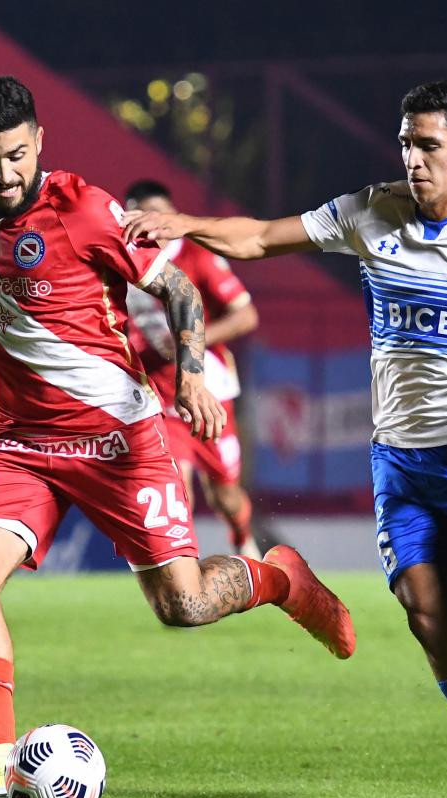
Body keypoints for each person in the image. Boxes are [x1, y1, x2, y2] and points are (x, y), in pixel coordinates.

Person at [0, 75, 356, 798]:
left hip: (119, 440)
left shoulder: (84, 209)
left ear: (40, 141)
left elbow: (177, 289)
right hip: (21, 445)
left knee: (181, 606)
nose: (7, 173)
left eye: (19, 155)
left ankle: (280, 579)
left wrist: (193, 377)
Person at [125, 80, 447, 798]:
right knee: (427, 617)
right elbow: (261, 236)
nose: (413, 160)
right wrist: (180, 224)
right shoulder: (370, 210)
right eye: (405, 143)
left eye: (429, 146)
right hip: (401, 460)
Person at [123, 179, 261, 559]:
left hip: (207, 392)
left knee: (226, 496)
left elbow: (246, 315)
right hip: (155, 395)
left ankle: (241, 535)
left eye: (158, 216)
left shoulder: (197, 258)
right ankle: (181, 572)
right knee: (173, 487)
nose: (150, 225)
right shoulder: (120, 261)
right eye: (140, 216)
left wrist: (191, 338)